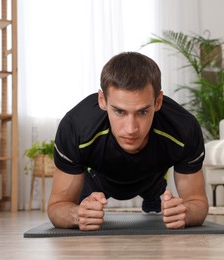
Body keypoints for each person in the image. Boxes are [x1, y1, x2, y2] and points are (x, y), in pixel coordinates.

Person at [48, 52, 208, 231]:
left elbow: (198, 202)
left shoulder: (184, 128)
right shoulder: (76, 127)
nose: (131, 129)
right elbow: (57, 206)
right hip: (99, 179)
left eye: (142, 112)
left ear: (158, 101)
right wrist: (77, 214)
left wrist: (185, 213)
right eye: (119, 111)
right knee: (87, 208)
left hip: (151, 177)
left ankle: (154, 197)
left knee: (155, 193)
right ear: (102, 100)